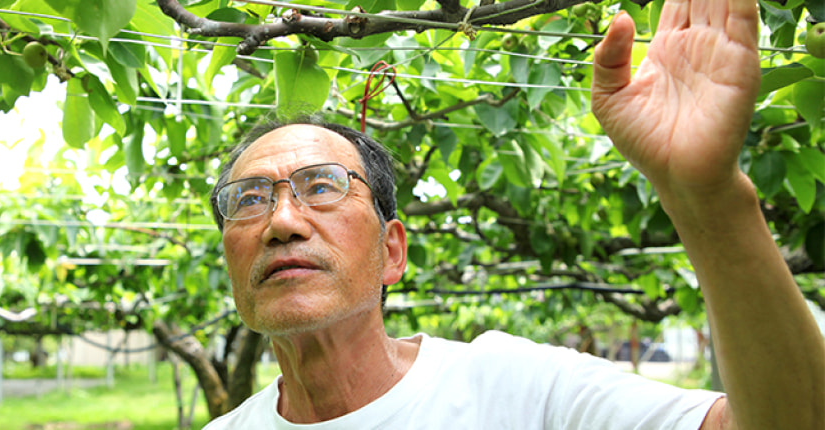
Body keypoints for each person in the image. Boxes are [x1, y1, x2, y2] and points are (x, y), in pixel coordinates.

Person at [204, 0, 825, 427]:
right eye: (249, 200)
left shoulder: (518, 391)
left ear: (392, 250)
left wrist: (710, 197)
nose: (282, 220)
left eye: (322, 186)